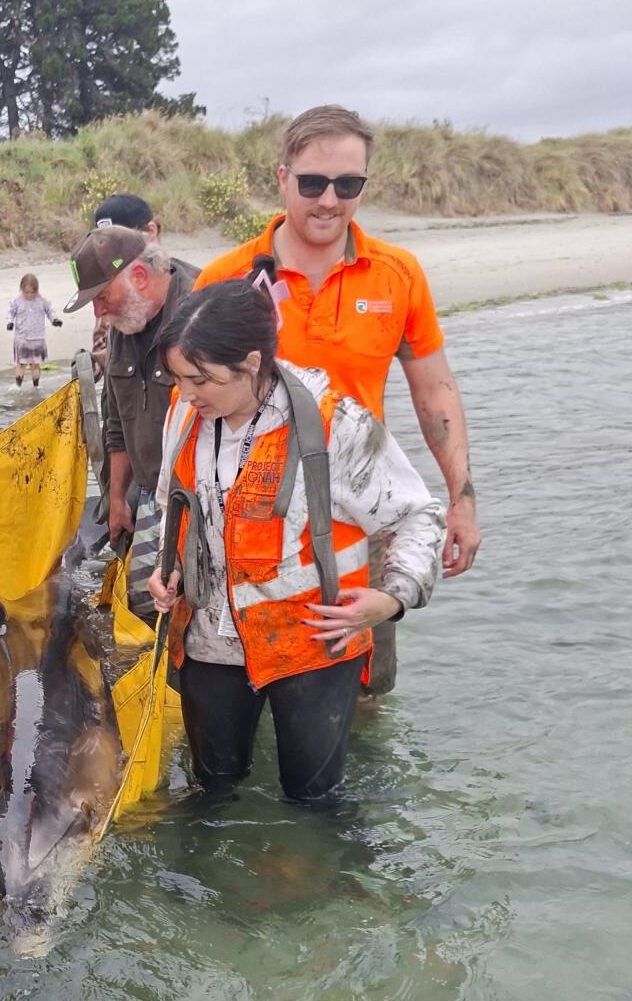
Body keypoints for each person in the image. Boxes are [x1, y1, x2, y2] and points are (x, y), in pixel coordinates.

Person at [193, 104, 480, 697]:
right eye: (312, 183)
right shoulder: (228, 277)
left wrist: (461, 500)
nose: (329, 200)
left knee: (362, 693)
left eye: (348, 185)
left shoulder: (397, 275)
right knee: (242, 689)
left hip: (361, 521)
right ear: (282, 178)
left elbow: (435, 390)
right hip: (252, 528)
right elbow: (190, 403)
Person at [148, 271, 445, 801]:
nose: (186, 393)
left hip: (312, 645)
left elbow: (420, 515)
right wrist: (165, 571)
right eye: (178, 378)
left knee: (314, 804)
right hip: (208, 645)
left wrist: (392, 599)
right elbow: (174, 506)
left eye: (201, 379)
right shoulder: (185, 412)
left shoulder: (337, 423)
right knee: (212, 791)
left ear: (254, 364)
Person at [62, 225, 199, 619]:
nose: (99, 312)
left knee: (189, 610)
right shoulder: (127, 321)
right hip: (147, 491)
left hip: (198, 496)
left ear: (139, 277)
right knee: (145, 607)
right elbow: (117, 424)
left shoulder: (200, 309)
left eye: (102, 297)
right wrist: (117, 499)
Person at [89, 193, 161, 378]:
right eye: (105, 246)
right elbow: (103, 347)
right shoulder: (110, 297)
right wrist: (94, 363)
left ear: (151, 232)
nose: (114, 254)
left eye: (121, 242)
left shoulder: (195, 288)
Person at [6, 272, 62, 388]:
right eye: (26, 292)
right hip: (22, 339)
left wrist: (55, 320)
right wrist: (10, 322)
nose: (30, 295)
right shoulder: (17, 301)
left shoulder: (42, 300)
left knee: (35, 365)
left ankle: (36, 386)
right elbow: (10, 312)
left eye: (32, 292)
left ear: (37, 290)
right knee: (21, 364)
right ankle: (18, 386)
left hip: (38, 338)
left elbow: (50, 310)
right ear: (21, 289)